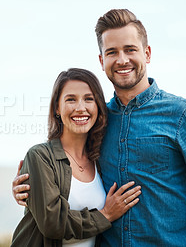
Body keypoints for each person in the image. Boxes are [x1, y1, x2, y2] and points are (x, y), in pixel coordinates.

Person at [12, 9, 186, 247]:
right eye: (112, 52)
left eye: (130, 49)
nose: (121, 60)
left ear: (147, 54)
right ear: (102, 61)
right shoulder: (98, 121)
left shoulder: (183, 116)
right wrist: (29, 189)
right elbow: (68, 167)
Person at [11, 68, 142, 247]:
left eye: (89, 99)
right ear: (57, 107)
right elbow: (53, 223)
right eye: (71, 99)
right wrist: (106, 215)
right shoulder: (40, 157)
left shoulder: (101, 159)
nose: (81, 108)